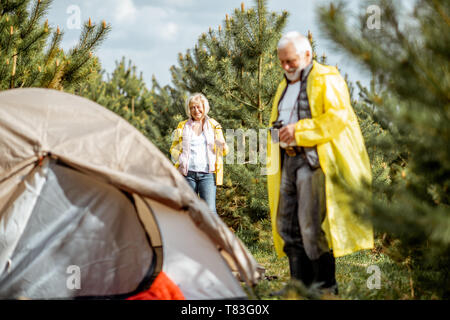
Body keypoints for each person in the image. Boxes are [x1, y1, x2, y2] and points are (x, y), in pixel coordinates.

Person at [266, 31, 374, 294]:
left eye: (290, 61)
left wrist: (299, 131)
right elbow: (276, 121)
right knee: (287, 226)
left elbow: (337, 117)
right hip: (287, 162)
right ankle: (299, 287)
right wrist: (274, 137)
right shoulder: (284, 84)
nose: (285, 67)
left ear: (307, 54)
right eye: (281, 62)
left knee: (310, 227)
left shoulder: (327, 78)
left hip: (313, 162)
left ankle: (326, 290)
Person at [170, 93, 228, 214]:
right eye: (192, 107)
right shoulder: (182, 126)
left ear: (204, 107)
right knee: (188, 210)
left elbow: (224, 150)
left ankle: (211, 233)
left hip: (207, 175)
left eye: (198, 107)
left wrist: (221, 145)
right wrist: (180, 159)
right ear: (189, 110)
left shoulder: (213, 125)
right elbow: (174, 148)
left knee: (210, 211)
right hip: (187, 175)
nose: (196, 110)